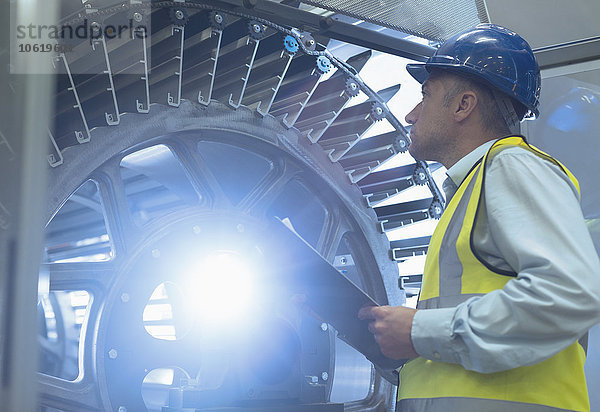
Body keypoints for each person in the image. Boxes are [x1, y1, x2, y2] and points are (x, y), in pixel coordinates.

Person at [358, 23, 600, 411]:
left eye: (425, 96)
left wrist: (420, 330)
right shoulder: (473, 189)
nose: (409, 114)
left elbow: (568, 295)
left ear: (463, 106)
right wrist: (395, 338)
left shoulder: (512, 165)